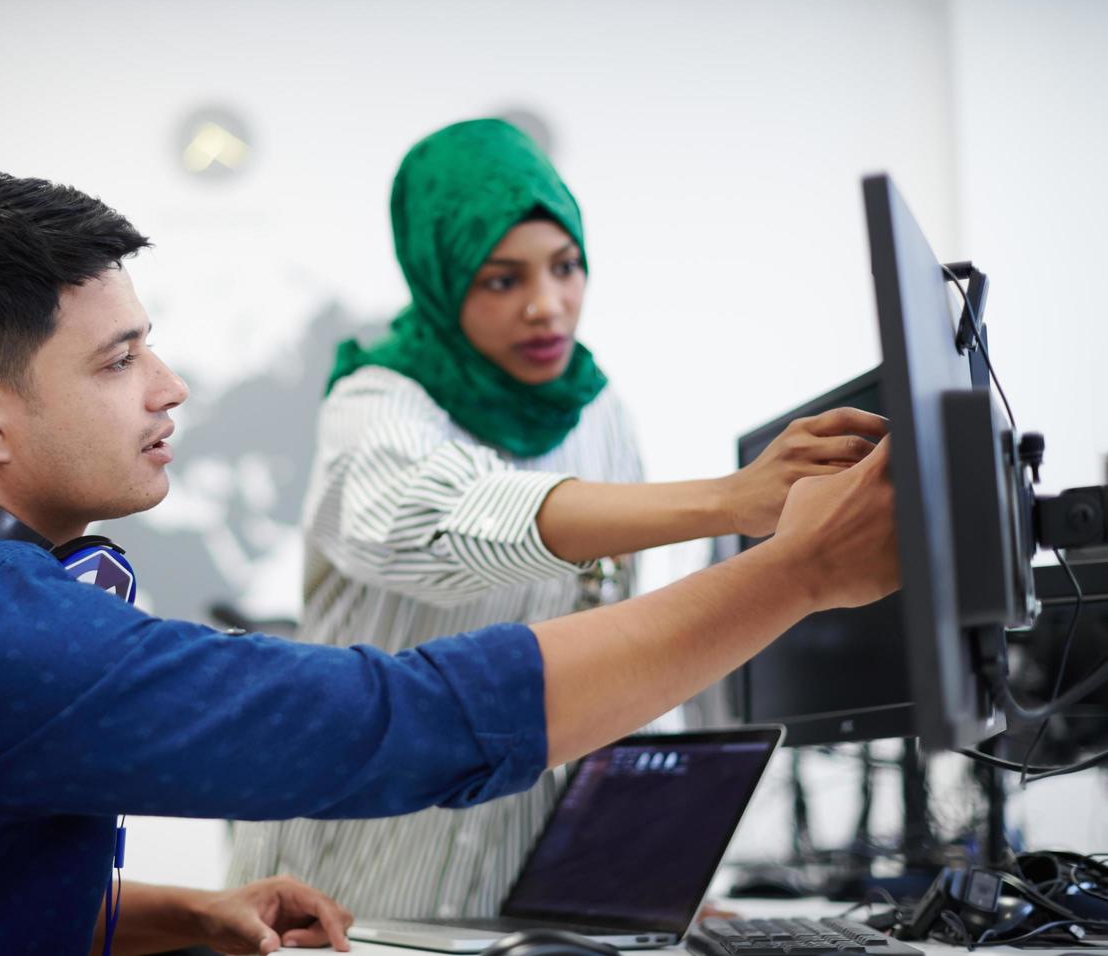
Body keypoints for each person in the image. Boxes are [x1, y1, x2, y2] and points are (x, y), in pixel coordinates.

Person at [0, 168, 896, 954]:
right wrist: (788, 571)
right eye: (118, 358)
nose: (171, 385)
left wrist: (175, 912)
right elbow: (397, 721)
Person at [228, 118, 887, 917]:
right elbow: (444, 521)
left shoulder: (599, 413)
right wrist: (728, 498)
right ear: (439, 275)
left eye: (566, 267)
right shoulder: (375, 401)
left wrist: (639, 872)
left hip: (511, 886)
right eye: (502, 279)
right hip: (349, 881)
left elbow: (612, 656)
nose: (548, 307)